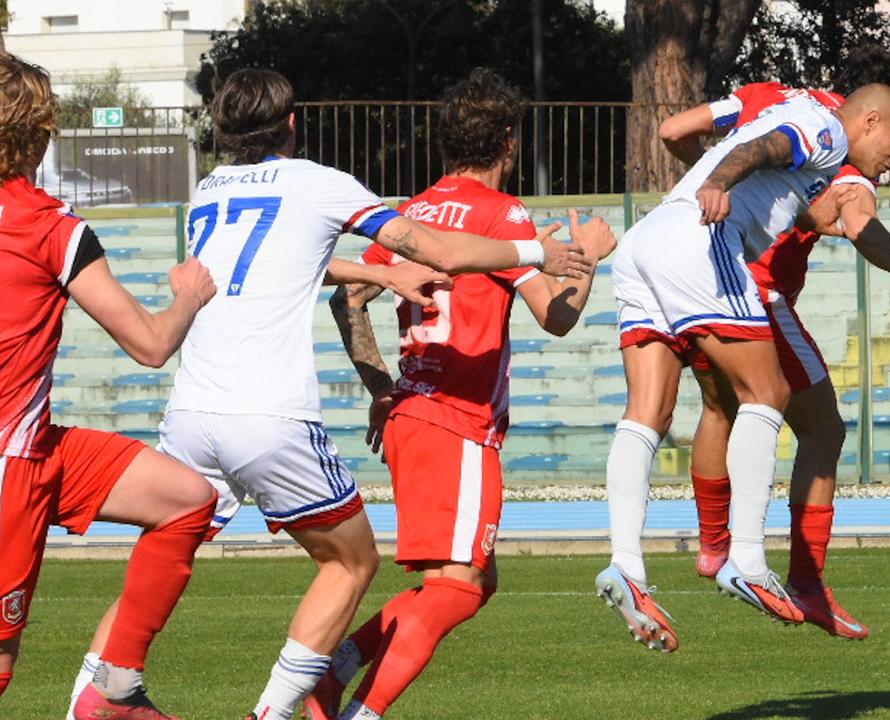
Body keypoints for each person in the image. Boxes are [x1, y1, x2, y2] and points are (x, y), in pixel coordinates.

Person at [75, 67, 590, 720]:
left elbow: (308, 269)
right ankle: (291, 706)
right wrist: (545, 253)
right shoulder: (322, 184)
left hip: (194, 404)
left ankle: (96, 694)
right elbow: (455, 260)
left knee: (165, 544)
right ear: (293, 124)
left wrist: (382, 326)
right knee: (367, 566)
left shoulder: (209, 190)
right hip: (291, 413)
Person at [598, 82, 890, 652]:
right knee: (766, 393)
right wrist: (720, 183)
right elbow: (770, 148)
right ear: (869, 120)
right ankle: (745, 558)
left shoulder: (775, 100)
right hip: (703, 245)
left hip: (645, 241)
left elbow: (696, 137)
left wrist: (712, 180)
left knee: (648, 412)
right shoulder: (824, 129)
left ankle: (626, 565)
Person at [304, 68, 616, 720]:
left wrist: (380, 385)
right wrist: (588, 258)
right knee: (459, 589)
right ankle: (348, 705)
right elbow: (556, 317)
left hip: (412, 416)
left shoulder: (412, 214)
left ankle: (333, 675)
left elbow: (347, 297)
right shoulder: (503, 216)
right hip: (457, 421)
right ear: (509, 140)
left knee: (472, 579)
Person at [0, 54, 219, 720]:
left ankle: (114, 692)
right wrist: (189, 297)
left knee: (186, 498)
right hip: (11, 463)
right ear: (39, 131)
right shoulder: (48, 226)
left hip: (40, 447)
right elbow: (150, 344)